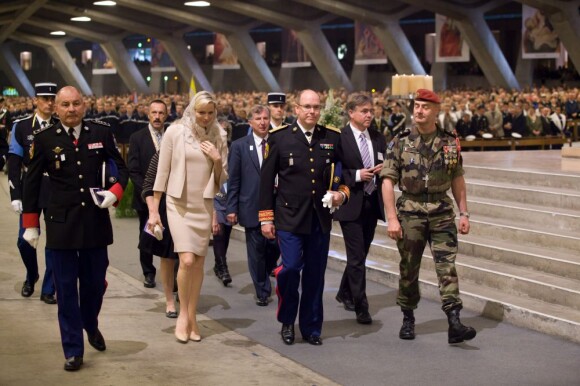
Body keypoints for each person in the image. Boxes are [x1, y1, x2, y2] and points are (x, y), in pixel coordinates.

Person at [21, 86, 128, 371]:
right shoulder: (44, 140)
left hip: (95, 223)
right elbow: (30, 183)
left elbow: (121, 166)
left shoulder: (101, 133)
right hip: (61, 226)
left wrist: (115, 192)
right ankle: (73, 348)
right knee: (66, 290)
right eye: (65, 105)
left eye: (76, 104)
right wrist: (30, 225)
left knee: (94, 285)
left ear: (85, 105)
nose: (71, 109)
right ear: (56, 108)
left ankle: (90, 324)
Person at [380, 88, 476, 345]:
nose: (419, 111)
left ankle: (454, 321)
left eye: (425, 107)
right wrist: (391, 218)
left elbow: (457, 178)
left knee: (447, 267)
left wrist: (464, 212)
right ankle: (408, 317)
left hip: (442, 212)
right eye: (417, 106)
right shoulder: (400, 141)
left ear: (436, 111)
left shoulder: (449, 141)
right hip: (410, 212)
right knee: (409, 267)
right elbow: (387, 181)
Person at [259, 89, 350, 346]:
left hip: (319, 219)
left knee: (315, 275)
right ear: (296, 109)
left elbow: (342, 173)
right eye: (307, 106)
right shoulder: (280, 138)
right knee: (288, 270)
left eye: (316, 107)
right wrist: (266, 218)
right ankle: (288, 321)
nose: (312, 111)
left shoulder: (331, 137)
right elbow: (266, 181)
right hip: (288, 217)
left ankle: (311, 327)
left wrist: (341, 194)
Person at [148, 91, 228, 343]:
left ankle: (193, 317)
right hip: (177, 204)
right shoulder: (175, 132)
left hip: (203, 205)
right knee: (186, 260)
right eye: (201, 112)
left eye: (210, 113)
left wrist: (216, 159)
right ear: (192, 110)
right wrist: (154, 211)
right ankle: (183, 315)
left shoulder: (220, 135)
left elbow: (222, 178)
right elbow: (162, 172)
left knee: (199, 264)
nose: (205, 117)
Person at [334, 93, 386, 325]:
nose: (369, 115)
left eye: (371, 110)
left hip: (372, 203)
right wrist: (356, 175)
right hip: (350, 203)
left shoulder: (378, 137)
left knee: (361, 254)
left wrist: (385, 168)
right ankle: (360, 306)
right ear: (351, 112)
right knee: (356, 257)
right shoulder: (340, 138)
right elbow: (333, 172)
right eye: (364, 111)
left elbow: (386, 164)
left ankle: (345, 291)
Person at [7, 82, 59, 304]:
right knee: (24, 240)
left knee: (56, 242)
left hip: (56, 188)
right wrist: (15, 195)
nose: (49, 103)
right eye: (44, 99)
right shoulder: (22, 127)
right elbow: (14, 162)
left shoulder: (60, 125)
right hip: (31, 188)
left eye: (52, 99)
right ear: (36, 100)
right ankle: (31, 275)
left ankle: (48, 288)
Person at [227, 105, 280, 307]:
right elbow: (234, 180)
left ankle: (266, 272)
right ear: (250, 122)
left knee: (274, 246)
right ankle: (262, 290)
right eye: (258, 118)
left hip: (276, 206)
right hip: (250, 206)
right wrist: (231, 208)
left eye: (265, 118)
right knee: (256, 250)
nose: (262, 122)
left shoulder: (277, 143)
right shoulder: (240, 146)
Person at [128, 99, 169, 288]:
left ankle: (172, 273)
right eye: (154, 113)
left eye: (161, 113)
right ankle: (148, 272)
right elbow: (134, 170)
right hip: (146, 198)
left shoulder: (172, 135)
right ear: (148, 114)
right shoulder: (137, 137)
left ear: (166, 115)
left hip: (169, 198)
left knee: (169, 236)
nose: (157, 117)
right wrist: (147, 193)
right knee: (146, 235)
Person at [139, 151, 179, 318]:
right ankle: (170, 300)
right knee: (167, 257)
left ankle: (185, 296)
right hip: (166, 207)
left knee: (188, 258)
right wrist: (153, 212)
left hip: (191, 208)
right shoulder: (163, 154)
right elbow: (148, 185)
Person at [212, 183, 233, 287]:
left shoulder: (234, 167)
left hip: (230, 202)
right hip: (215, 200)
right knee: (219, 234)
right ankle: (224, 269)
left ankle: (218, 264)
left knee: (225, 237)